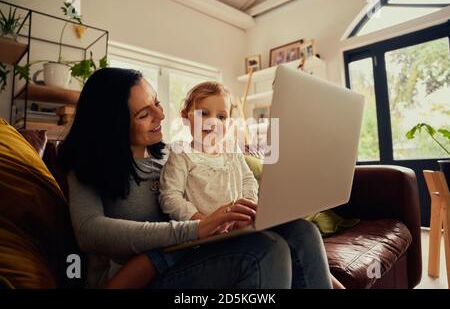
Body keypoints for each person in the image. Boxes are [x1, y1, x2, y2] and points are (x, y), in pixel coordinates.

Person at [59, 68, 334, 289]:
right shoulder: (86, 164)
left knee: (302, 232)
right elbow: (89, 231)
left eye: (156, 102)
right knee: (265, 251)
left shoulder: (170, 152)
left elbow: (236, 179)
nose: (160, 115)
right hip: (148, 272)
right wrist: (197, 227)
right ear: (113, 124)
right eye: (144, 114)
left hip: (193, 251)